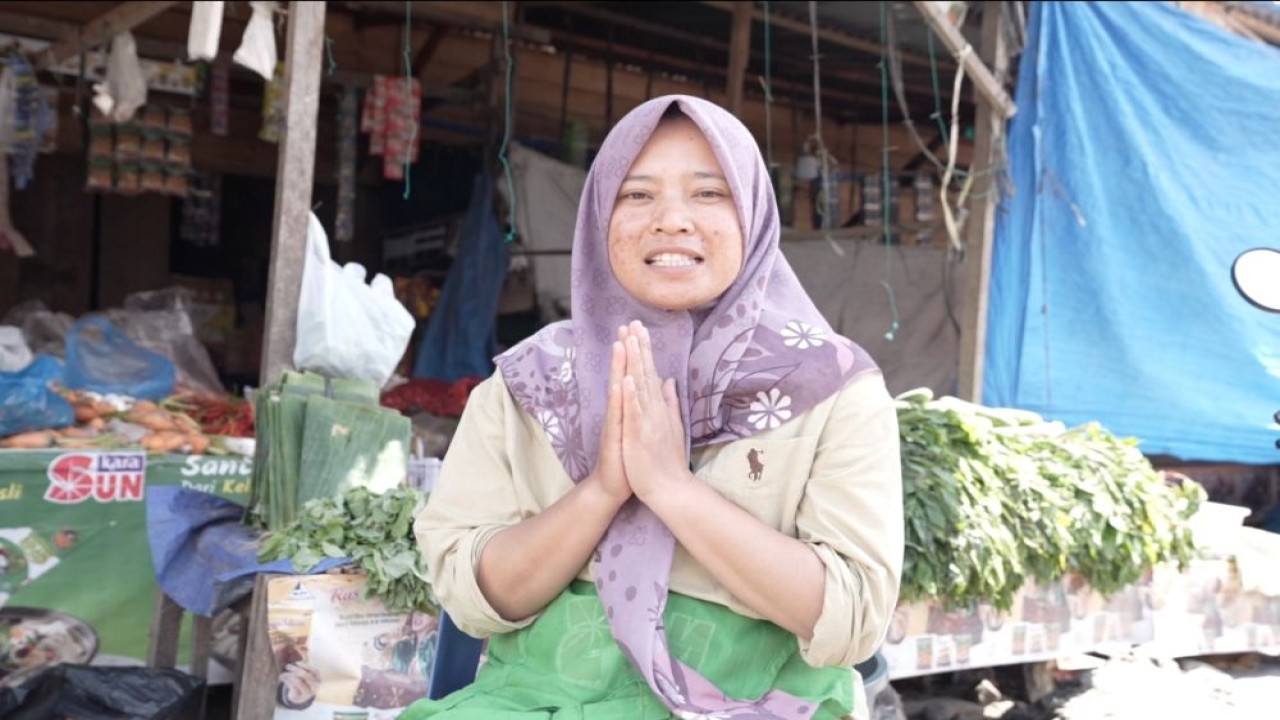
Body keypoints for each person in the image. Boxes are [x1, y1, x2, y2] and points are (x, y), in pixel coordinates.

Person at [404, 94, 903, 720]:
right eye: (636, 195)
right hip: (535, 700)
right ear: (597, 217)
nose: (671, 220)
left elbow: (853, 619)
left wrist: (672, 488)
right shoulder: (526, 385)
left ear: (752, 214)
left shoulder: (832, 388)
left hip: (758, 702)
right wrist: (602, 490)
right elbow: (474, 598)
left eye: (709, 193)